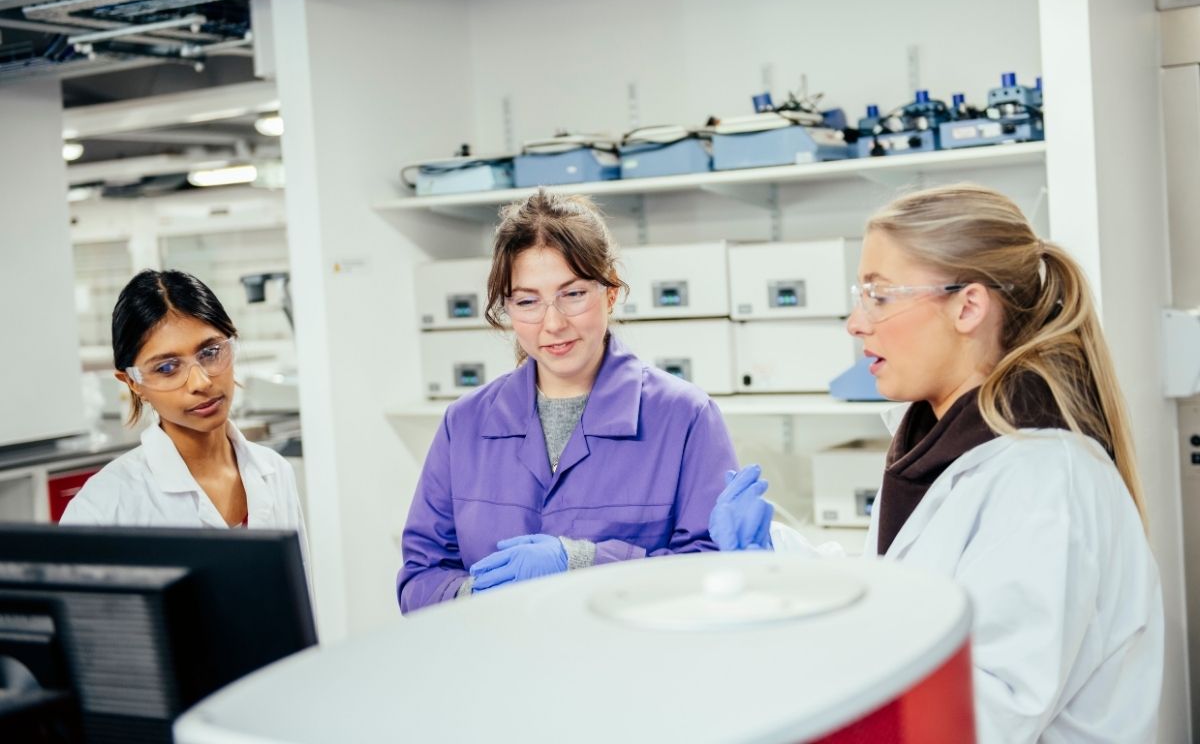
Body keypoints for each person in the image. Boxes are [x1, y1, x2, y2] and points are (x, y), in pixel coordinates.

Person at [709, 184, 1163, 742]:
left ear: (968, 306)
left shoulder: (1042, 478)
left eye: (878, 295)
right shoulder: (941, 445)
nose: (855, 322)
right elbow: (901, 596)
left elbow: (984, 712)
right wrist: (779, 563)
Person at [397, 190, 738, 613]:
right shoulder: (464, 423)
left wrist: (582, 563)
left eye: (573, 294)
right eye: (527, 302)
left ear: (610, 291)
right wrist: (476, 596)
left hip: (633, 667)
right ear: (507, 309)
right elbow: (420, 577)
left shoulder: (684, 416)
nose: (553, 324)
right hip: (500, 662)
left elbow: (715, 575)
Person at [60, 270, 311, 573]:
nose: (201, 382)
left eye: (210, 352)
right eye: (167, 368)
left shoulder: (274, 472)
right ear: (133, 383)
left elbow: (298, 604)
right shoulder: (103, 507)